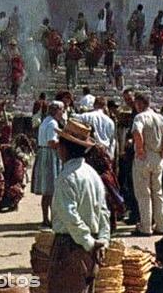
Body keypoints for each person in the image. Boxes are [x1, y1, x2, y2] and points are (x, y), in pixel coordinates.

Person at [48, 119, 111, 293]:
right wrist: (103, 241)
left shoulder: (66, 177)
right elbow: (104, 212)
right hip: (90, 245)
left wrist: (89, 242)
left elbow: (70, 216)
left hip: (70, 247)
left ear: (64, 148)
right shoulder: (93, 175)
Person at [131, 92, 163, 236]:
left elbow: (137, 132)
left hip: (144, 156)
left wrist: (139, 149)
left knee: (144, 192)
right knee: (158, 192)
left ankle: (146, 226)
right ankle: (161, 224)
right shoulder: (160, 117)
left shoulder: (140, 117)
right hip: (157, 157)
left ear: (140, 103)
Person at [31, 101, 64, 227]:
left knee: (48, 191)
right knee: (51, 189)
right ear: (57, 110)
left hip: (44, 154)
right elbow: (51, 142)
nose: (63, 113)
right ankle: (50, 218)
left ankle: (46, 218)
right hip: (50, 155)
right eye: (62, 110)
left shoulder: (46, 121)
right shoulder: (52, 123)